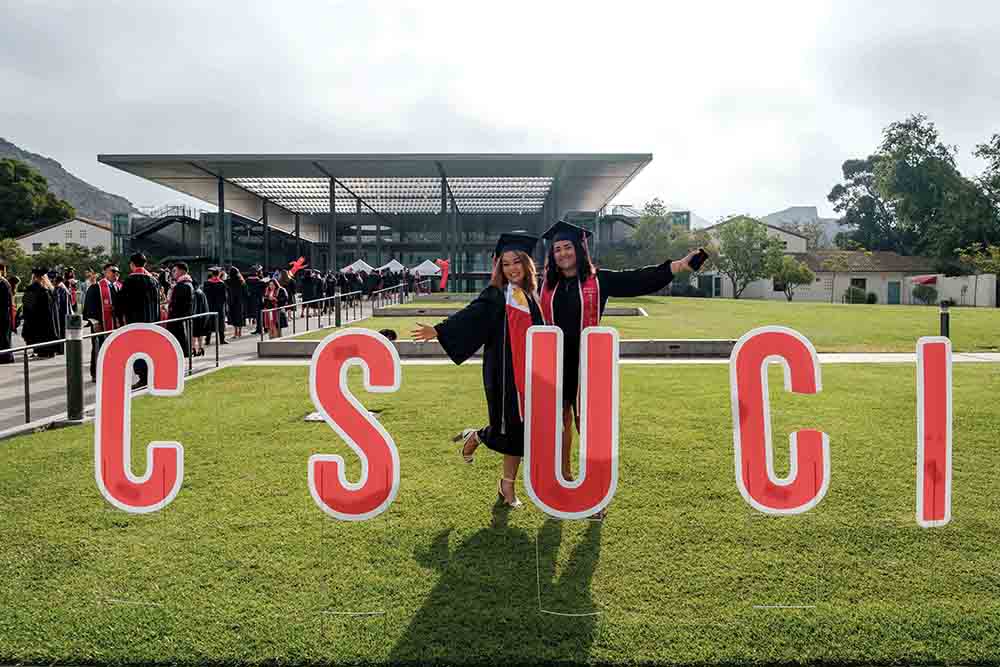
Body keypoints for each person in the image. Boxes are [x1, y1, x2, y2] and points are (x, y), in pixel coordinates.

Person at [538, 219, 702, 495]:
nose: (563, 253)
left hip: (588, 361)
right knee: (559, 421)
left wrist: (677, 266)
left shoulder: (598, 279)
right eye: (557, 249)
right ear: (552, 255)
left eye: (568, 247)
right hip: (554, 361)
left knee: (586, 423)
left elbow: (637, 278)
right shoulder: (545, 285)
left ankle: (594, 485)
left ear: (579, 250)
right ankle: (563, 479)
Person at [411, 234, 544, 508]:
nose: (511, 268)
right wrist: (439, 329)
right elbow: (472, 314)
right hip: (504, 373)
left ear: (527, 264)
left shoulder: (531, 294)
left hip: (530, 374)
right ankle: (482, 440)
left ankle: (502, 478)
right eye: (505, 263)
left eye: (516, 262)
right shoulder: (497, 294)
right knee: (510, 429)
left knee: (523, 432)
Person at [116, 252, 161, 388]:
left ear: (132, 264)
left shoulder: (130, 281)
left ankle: (143, 377)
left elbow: (121, 302)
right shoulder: (153, 280)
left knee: (138, 349)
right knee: (150, 348)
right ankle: (151, 374)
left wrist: (119, 317)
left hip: (135, 321)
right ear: (145, 264)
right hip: (152, 321)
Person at [83, 263, 122, 381]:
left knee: (115, 347)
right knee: (99, 348)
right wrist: (95, 323)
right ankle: (97, 373)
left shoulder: (119, 287)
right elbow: (89, 307)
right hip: (101, 325)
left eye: (117, 271)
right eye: (113, 271)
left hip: (116, 324)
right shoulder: (96, 288)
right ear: (105, 272)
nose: (116, 274)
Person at [21, 268, 60, 359]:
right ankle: (47, 352)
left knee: (41, 334)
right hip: (44, 318)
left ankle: (44, 352)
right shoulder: (46, 289)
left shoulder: (42, 289)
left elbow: (27, 305)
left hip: (40, 318)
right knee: (45, 334)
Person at [166, 262, 196, 357]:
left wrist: (169, 308)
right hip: (184, 318)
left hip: (178, 319)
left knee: (178, 345)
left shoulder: (182, 285)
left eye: (175, 270)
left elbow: (176, 304)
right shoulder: (188, 283)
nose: (174, 273)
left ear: (181, 271)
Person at [203, 267, 229, 345]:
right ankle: (222, 339)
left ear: (212, 274)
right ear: (218, 274)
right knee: (220, 323)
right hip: (219, 306)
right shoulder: (221, 283)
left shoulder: (206, 283)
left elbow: (205, 295)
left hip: (209, 305)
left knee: (209, 322)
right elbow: (225, 296)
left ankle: (207, 340)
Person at [226, 266, 247, 338]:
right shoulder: (242, 281)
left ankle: (235, 333)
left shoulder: (229, 281)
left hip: (232, 301)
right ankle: (240, 332)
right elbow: (245, 292)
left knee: (234, 316)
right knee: (240, 316)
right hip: (240, 301)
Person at [191, 277, 210, 356]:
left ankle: (193, 348)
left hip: (196, 316)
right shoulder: (201, 292)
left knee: (193, 334)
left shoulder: (194, 293)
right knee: (200, 334)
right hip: (203, 315)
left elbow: (194, 306)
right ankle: (201, 348)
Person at [0, 263, 14, 363]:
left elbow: (6, 301)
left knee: (4, 337)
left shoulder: (4, 283)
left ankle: (6, 357)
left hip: (3, 314)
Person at [245, 266, 266, 334]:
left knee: (257, 315)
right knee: (261, 315)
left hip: (251, 300)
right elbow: (263, 291)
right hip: (259, 299)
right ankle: (264, 328)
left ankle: (259, 329)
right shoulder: (260, 281)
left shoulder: (247, 280)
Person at [52, 273, 72, 342]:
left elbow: (58, 303)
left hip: (61, 314)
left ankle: (61, 348)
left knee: (61, 331)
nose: (52, 282)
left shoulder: (60, 290)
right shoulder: (63, 289)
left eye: (54, 281)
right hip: (65, 313)